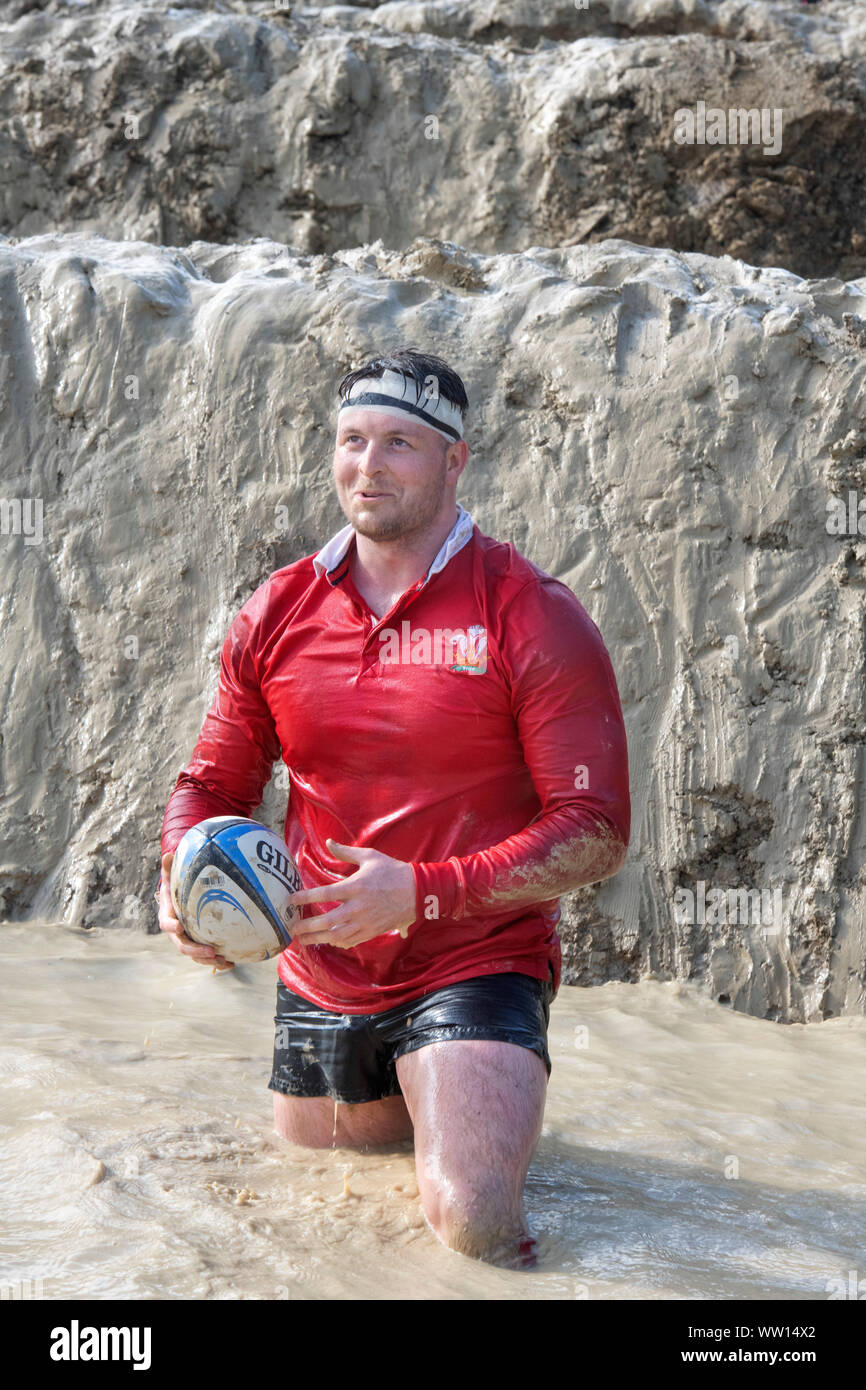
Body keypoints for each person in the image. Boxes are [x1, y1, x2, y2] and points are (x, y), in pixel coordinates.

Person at [157, 348, 630, 1269]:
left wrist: (424, 892)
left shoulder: (530, 613)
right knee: (321, 1232)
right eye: (351, 440)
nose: (367, 465)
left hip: (474, 959)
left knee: (468, 1221)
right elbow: (210, 787)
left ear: (456, 462)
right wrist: (182, 876)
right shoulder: (277, 610)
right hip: (319, 976)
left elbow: (597, 832)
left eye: (399, 444)